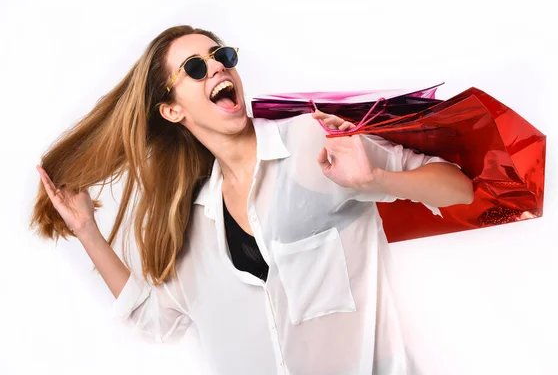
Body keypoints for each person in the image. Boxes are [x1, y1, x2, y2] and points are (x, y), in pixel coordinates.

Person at [30, 25, 474, 375]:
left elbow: (458, 188)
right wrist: (87, 231)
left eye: (221, 56)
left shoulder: (311, 143)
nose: (219, 68)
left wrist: (374, 178)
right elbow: (155, 320)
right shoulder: (195, 225)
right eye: (197, 68)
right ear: (172, 110)